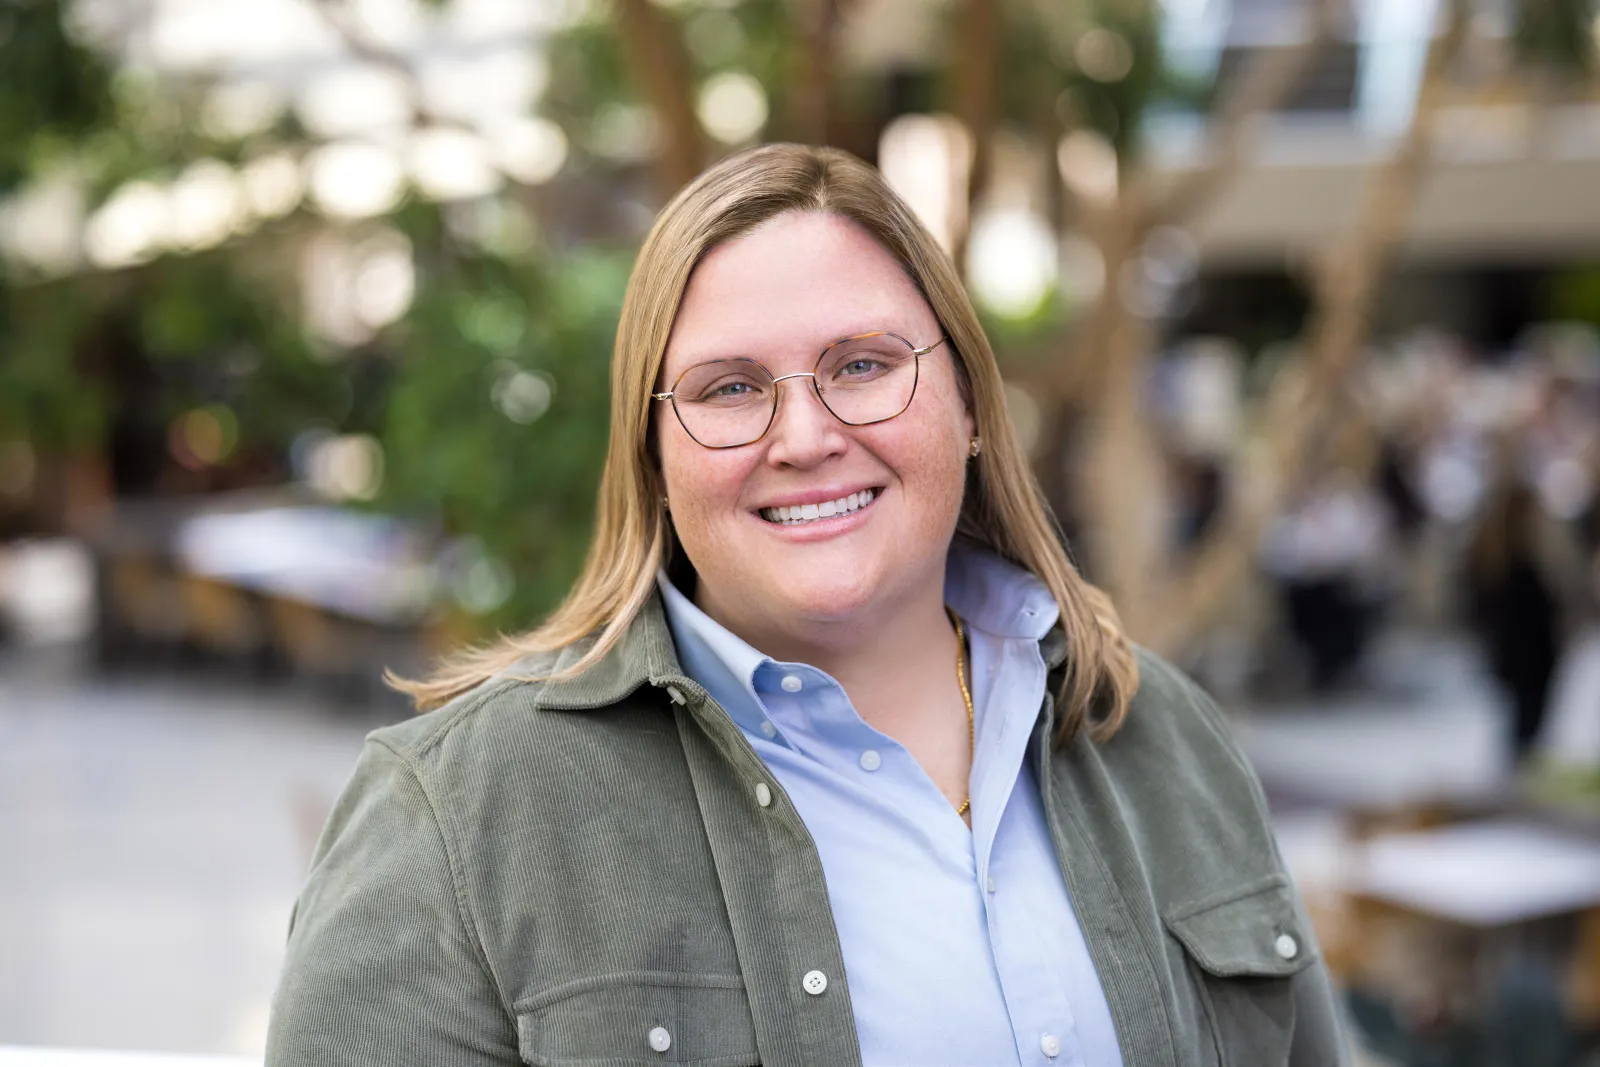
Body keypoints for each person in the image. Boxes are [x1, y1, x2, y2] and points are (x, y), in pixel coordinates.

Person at [266, 144, 1346, 1067]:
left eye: (864, 363)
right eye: (729, 387)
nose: (804, 436)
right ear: (652, 452)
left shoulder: (1160, 733)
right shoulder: (457, 814)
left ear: (967, 401)